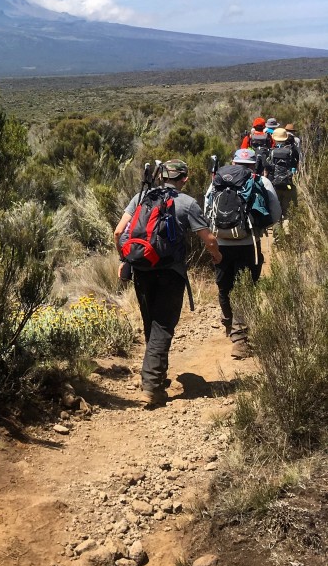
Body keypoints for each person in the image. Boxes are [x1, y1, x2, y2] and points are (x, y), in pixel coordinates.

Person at [114, 160, 222, 408]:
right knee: (164, 326)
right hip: (170, 273)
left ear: (161, 177)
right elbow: (209, 238)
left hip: (141, 269)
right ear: (184, 179)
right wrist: (217, 257)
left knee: (152, 323)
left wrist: (124, 259)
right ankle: (151, 386)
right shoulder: (187, 203)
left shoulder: (140, 196)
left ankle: (157, 375)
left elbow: (119, 232)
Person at [204, 147, 281, 359]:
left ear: (234, 162)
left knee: (224, 285)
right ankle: (240, 340)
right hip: (249, 243)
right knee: (246, 286)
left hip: (221, 244)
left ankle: (228, 321)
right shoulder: (261, 181)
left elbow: (206, 210)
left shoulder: (217, 181)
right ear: (254, 163)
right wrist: (257, 228)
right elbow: (275, 213)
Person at [268, 126, 300, 219]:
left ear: (274, 138)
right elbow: (296, 165)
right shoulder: (292, 150)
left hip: (275, 183)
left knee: (276, 209)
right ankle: (287, 229)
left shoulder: (272, 151)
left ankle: (277, 230)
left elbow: (269, 167)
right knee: (287, 209)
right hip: (288, 183)